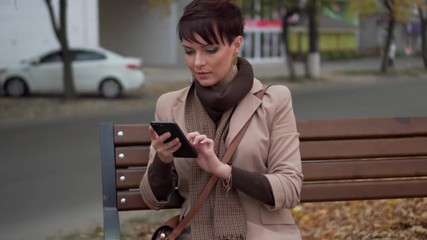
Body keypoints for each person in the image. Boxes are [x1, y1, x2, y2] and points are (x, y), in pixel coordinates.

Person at [140, 0, 303, 239]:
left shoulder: (274, 100)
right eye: (189, 51)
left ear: (237, 44)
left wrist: (223, 170)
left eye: (210, 49)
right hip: (194, 232)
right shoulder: (169, 105)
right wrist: (162, 161)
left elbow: (289, 188)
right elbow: (152, 199)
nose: (197, 62)